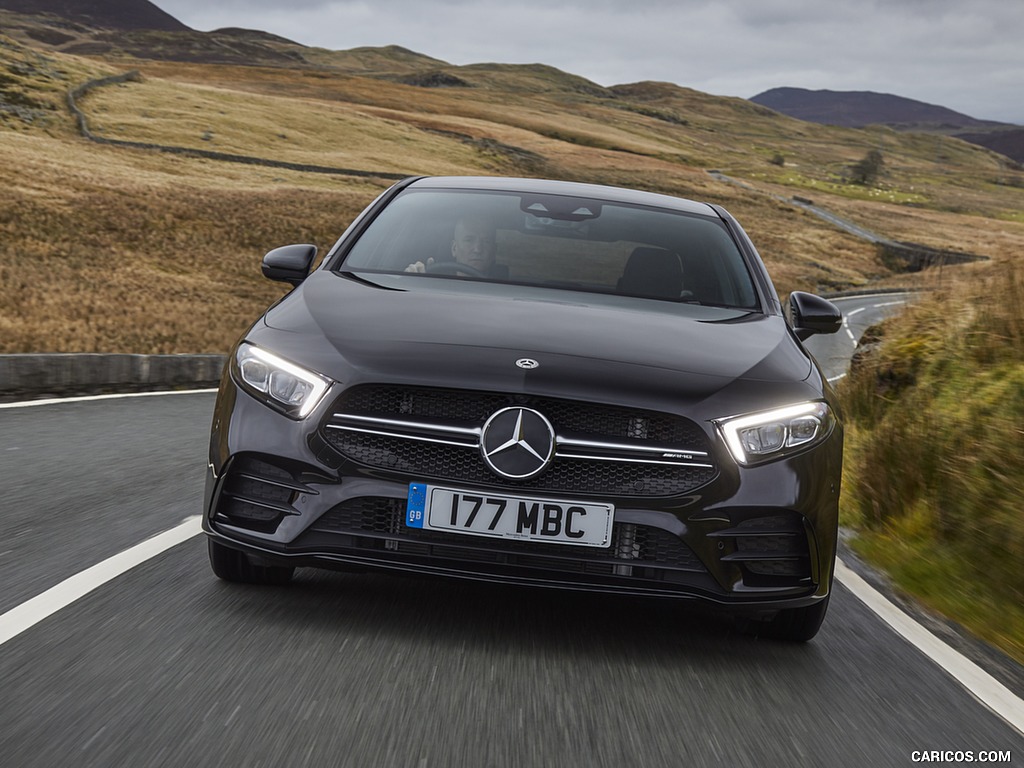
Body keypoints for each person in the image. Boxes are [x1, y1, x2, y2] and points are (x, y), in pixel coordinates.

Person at [406, 216, 498, 276]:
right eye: (469, 240)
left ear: (494, 251)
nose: (478, 249)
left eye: (486, 241)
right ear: (454, 248)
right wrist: (412, 279)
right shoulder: (433, 283)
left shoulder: (505, 290)